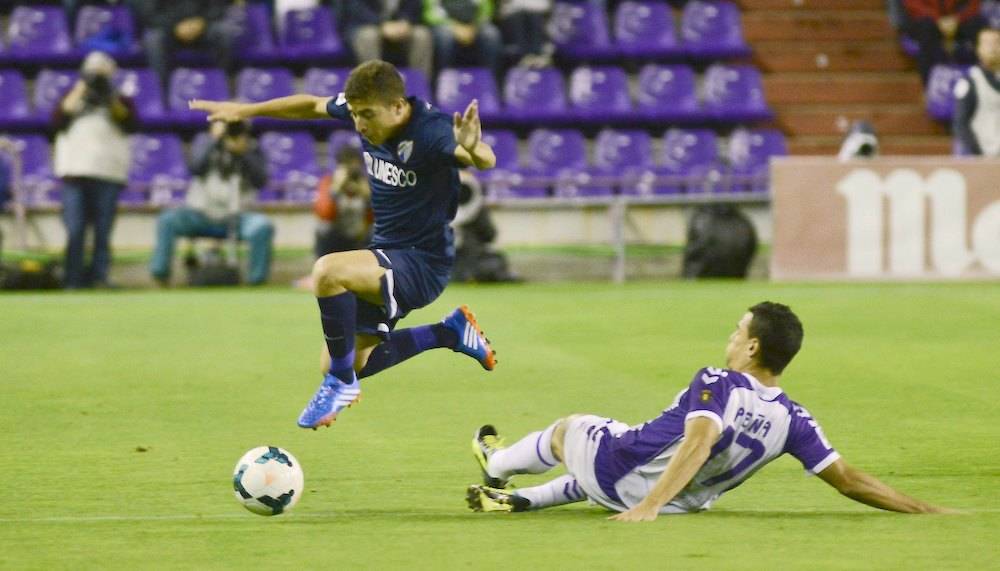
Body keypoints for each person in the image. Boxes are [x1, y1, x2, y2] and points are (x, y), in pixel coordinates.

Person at [189, 59, 498, 430]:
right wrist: (246, 111)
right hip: (387, 251)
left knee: (328, 272)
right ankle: (448, 332)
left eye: (367, 115)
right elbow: (310, 105)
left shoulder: (431, 130)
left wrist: (473, 148)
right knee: (348, 359)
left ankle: (339, 384)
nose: (359, 124)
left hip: (423, 262)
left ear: (398, 106)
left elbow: (483, 158)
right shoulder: (367, 112)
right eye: (353, 114)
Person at [466, 302, 954, 519]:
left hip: (631, 483)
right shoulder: (795, 420)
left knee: (570, 429)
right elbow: (849, 481)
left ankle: (497, 465)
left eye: (738, 331)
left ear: (753, 347)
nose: (731, 337)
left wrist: (647, 508)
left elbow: (699, 442)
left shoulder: (718, 381)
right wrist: (925, 509)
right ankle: (524, 501)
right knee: (621, 443)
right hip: (681, 505)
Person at [149, 120, 274, 286]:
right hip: (200, 215)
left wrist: (244, 153)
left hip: (237, 217)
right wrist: (213, 139)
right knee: (167, 220)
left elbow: (260, 180)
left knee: (262, 226)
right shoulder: (204, 142)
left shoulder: (252, 148)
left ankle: (256, 280)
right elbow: (195, 167)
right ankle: (160, 275)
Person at [53, 51, 136, 289]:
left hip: (108, 172)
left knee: (103, 231)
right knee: (75, 228)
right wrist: (83, 86)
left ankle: (100, 276)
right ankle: (73, 279)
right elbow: (58, 118)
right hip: (75, 171)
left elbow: (129, 122)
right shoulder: (72, 95)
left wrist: (109, 94)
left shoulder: (120, 98)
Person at [134, 0, 237, 92]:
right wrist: (175, 27)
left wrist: (201, 22)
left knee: (224, 32)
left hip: (203, 27)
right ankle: (161, 91)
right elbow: (150, 14)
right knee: (153, 39)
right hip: (169, 30)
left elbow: (219, 7)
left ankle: (225, 85)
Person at [340, 0, 434, 83]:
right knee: (368, 36)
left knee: (421, 34)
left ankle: (419, 86)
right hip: (366, 24)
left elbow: (414, 7)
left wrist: (405, 22)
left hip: (399, 26)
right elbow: (356, 11)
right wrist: (381, 24)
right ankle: (372, 87)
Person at [901, 0, 986, 84]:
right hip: (925, 19)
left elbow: (973, 5)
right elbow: (912, 4)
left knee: (979, 27)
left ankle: (982, 80)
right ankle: (930, 84)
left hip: (960, 19)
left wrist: (957, 18)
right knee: (926, 30)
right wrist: (937, 19)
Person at [314, 146, 374, 257]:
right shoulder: (329, 182)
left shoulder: (365, 184)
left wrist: (368, 198)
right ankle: (322, 262)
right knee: (323, 228)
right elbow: (324, 214)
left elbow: (375, 218)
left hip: (360, 236)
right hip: (337, 236)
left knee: (375, 230)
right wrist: (336, 189)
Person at [424, 0, 503, 79]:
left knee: (490, 34)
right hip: (444, 23)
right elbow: (431, 12)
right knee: (445, 36)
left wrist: (473, 25)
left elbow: (486, 9)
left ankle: (489, 81)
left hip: (474, 23)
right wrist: (453, 25)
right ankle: (443, 81)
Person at [954, 27, 1000, 155]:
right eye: (987, 43)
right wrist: (977, 154)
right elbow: (961, 123)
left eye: (997, 42)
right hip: (984, 155)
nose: (993, 48)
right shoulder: (970, 82)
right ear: (978, 49)